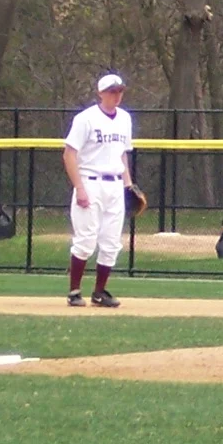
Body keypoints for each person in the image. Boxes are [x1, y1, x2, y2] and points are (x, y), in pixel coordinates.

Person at [62, 73, 139, 308]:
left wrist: (128, 184)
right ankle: (74, 291)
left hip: (115, 184)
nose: (116, 95)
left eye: (119, 91)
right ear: (100, 93)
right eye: (112, 91)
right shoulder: (86, 119)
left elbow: (122, 154)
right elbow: (69, 154)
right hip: (90, 181)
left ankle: (99, 292)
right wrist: (80, 188)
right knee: (86, 240)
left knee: (111, 242)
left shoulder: (125, 119)